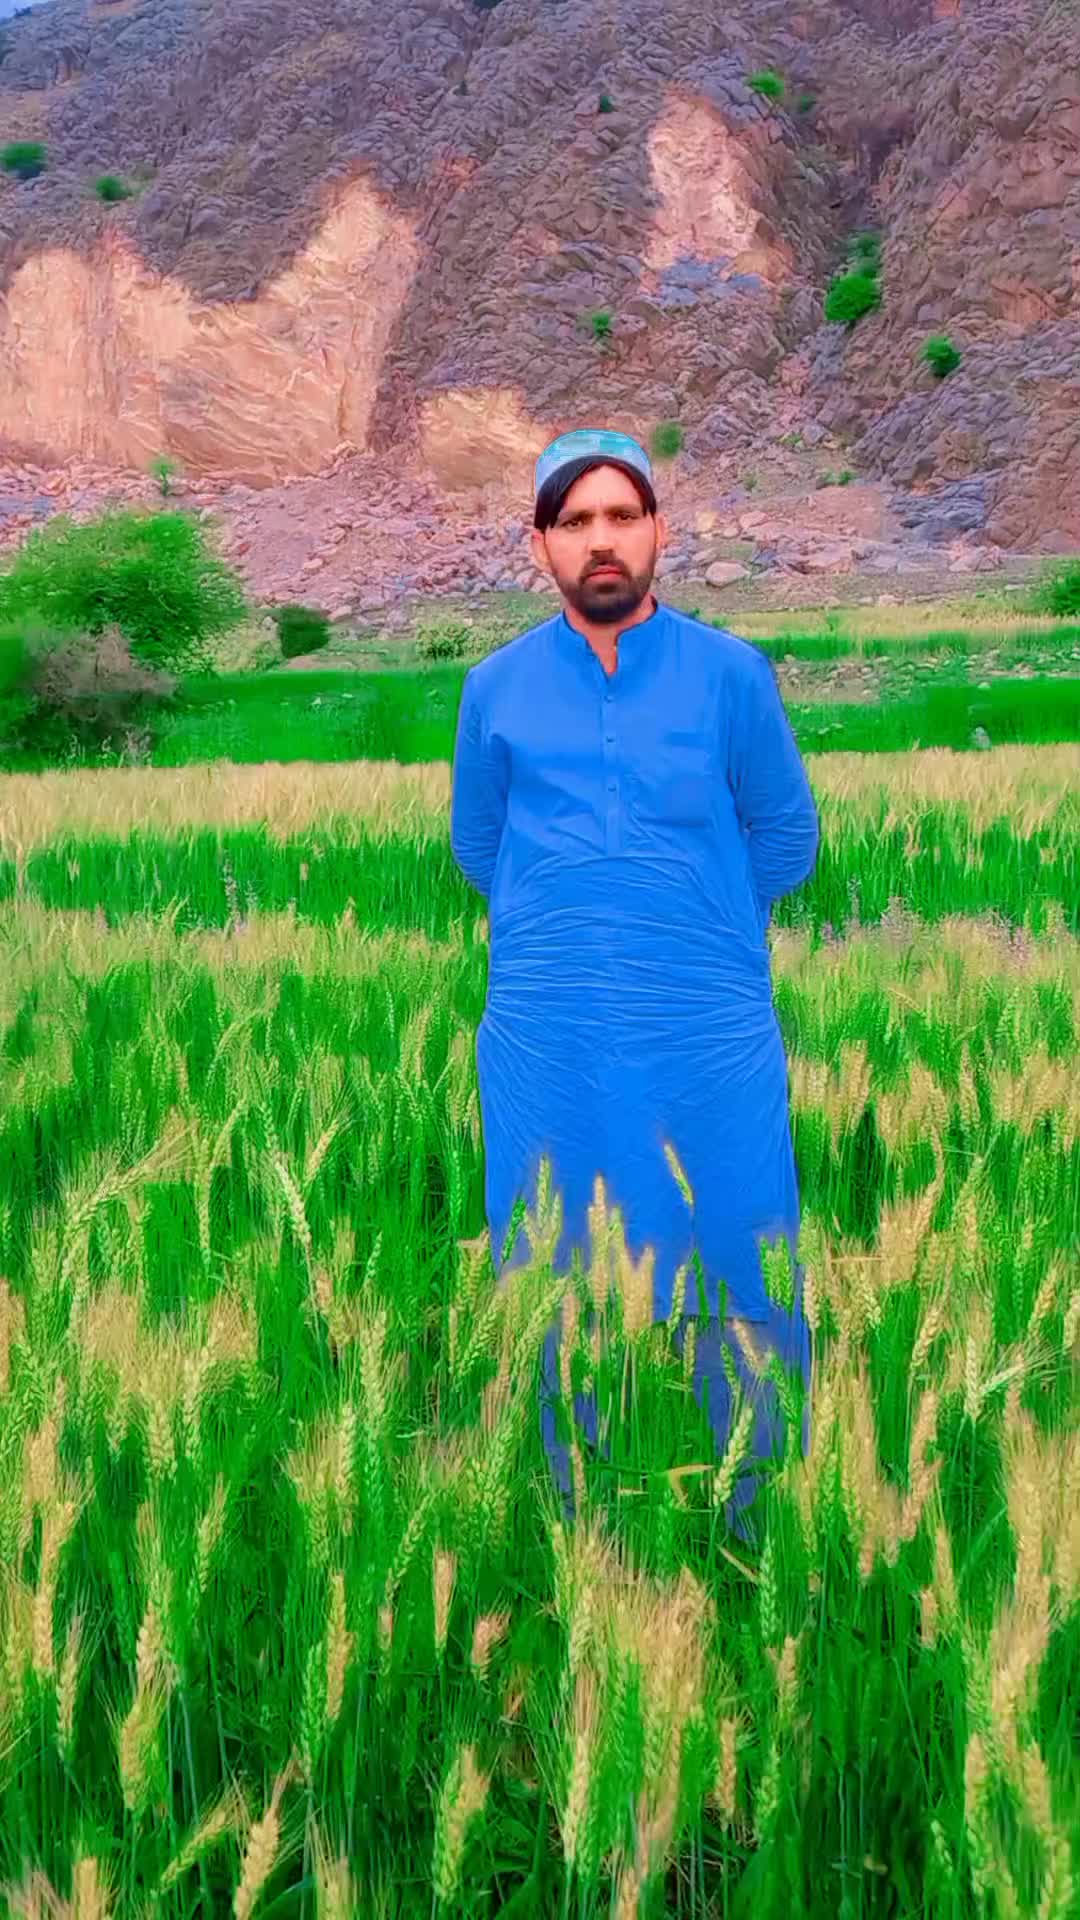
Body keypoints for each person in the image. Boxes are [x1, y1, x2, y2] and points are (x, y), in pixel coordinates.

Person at [449, 428, 820, 1539]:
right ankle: (582, 1538)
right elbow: (481, 847)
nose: (600, 539)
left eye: (622, 515)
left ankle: (758, 1530)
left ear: (660, 531)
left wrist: (689, 927)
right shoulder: (495, 689)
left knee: (740, 1256)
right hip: (548, 1036)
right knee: (553, 1270)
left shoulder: (730, 675)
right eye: (575, 521)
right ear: (540, 546)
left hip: (709, 1034)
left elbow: (785, 838)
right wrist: (580, 928)